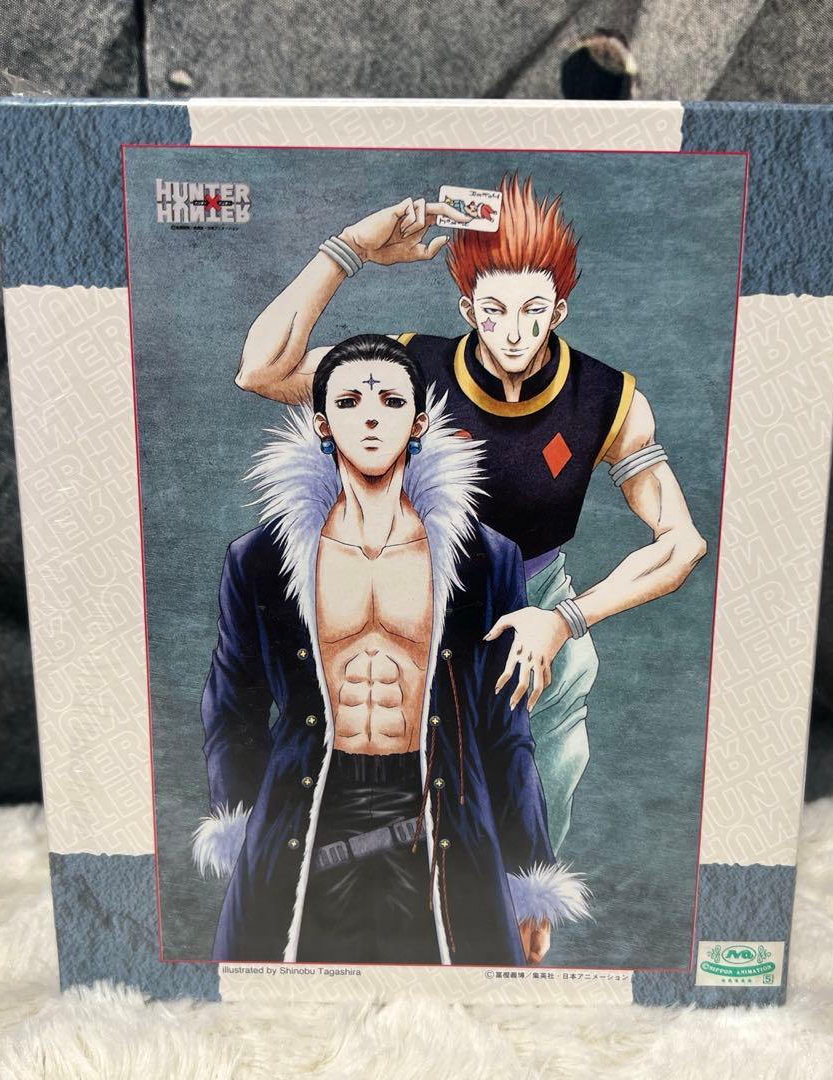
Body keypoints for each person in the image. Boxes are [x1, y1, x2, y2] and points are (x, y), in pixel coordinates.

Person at [233, 175, 707, 853]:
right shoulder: (408, 369)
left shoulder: (608, 398)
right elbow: (261, 371)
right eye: (494, 311)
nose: (513, 331)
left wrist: (565, 620)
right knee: (397, 839)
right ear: (467, 307)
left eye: (532, 310)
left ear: (559, 310)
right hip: (412, 617)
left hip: (538, 623)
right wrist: (351, 247)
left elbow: (681, 543)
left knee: (532, 840)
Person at [192, 335, 588, 965]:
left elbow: (505, 730)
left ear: (419, 422)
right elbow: (231, 709)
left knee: (458, 1002)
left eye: (391, 401)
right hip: (307, 805)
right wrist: (245, 828)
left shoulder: (486, 561)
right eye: (349, 401)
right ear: (322, 424)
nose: (371, 417)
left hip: (441, 807)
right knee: (283, 998)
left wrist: (528, 878)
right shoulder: (260, 560)